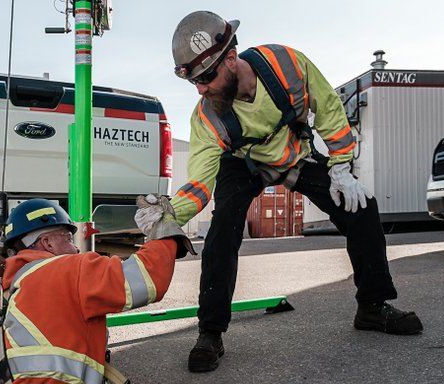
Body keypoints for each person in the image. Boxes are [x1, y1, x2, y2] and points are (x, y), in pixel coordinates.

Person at [162, 10, 423, 373]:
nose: (201, 89)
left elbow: (328, 107)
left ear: (232, 58)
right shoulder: (207, 118)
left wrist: (341, 167)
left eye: (206, 77)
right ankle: (210, 333)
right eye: (194, 82)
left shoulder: (285, 64)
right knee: (222, 231)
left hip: (293, 154)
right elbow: (199, 183)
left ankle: (373, 307)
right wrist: (170, 214)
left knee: (363, 209)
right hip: (242, 164)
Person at [0, 196, 191, 383]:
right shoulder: (66, 270)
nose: (76, 247)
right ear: (47, 243)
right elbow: (148, 278)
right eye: (68, 238)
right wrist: (163, 226)